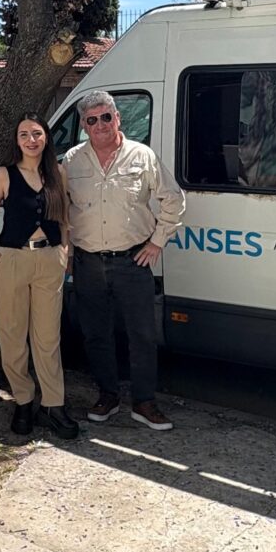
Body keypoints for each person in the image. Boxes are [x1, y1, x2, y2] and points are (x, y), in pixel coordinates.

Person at [65, 91, 185, 430]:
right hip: (87, 263)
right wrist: (70, 254)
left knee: (142, 335)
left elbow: (173, 199)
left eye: (106, 116)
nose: (100, 124)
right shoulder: (71, 161)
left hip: (133, 262)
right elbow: (63, 212)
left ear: (118, 118)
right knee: (95, 335)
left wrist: (157, 242)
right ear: (84, 126)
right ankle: (108, 395)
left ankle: (144, 402)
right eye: (92, 120)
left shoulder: (141, 156)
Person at [0, 113, 78, 440]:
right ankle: (23, 400)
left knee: (48, 337)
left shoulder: (57, 173)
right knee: (11, 334)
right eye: (24, 134)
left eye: (37, 133)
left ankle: (53, 404)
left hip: (50, 258)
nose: (31, 140)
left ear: (46, 137)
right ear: (17, 140)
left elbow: (64, 215)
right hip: (12, 260)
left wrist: (67, 251)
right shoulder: (3, 175)